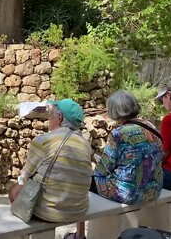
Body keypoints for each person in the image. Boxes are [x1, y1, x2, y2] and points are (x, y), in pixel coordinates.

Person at [68, 90, 163, 239]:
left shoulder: (119, 133)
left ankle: (79, 235)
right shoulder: (150, 125)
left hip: (130, 193)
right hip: (154, 188)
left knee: (84, 182)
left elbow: (103, 169)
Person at [9, 99, 93, 224]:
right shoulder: (86, 145)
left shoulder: (43, 141)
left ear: (59, 117)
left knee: (14, 192)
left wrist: (18, 185)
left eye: (50, 114)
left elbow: (25, 175)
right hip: (79, 210)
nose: (49, 118)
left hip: (48, 213)